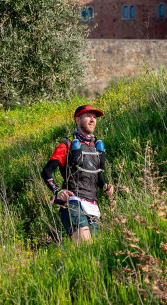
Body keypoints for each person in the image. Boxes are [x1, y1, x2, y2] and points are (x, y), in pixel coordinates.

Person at [41, 104, 114, 242]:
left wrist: (105, 186)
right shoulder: (67, 145)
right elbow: (46, 172)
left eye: (94, 117)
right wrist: (57, 191)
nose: (92, 120)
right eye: (88, 116)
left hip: (92, 205)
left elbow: (95, 173)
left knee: (94, 250)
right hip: (73, 203)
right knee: (86, 246)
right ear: (77, 119)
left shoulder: (96, 146)